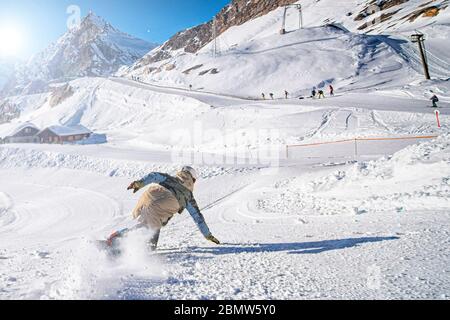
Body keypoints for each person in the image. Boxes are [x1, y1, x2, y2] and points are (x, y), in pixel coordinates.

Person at [106, 166, 220, 251]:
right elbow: (198, 218)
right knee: (150, 245)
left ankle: (118, 237)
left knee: (144, 226)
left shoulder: (169, 179)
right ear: (193, 180)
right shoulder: (188, 196)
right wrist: (207, 235)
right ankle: (124, 249)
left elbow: (154, 175)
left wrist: (139, 183)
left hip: (145, 199)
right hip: (156, 209)